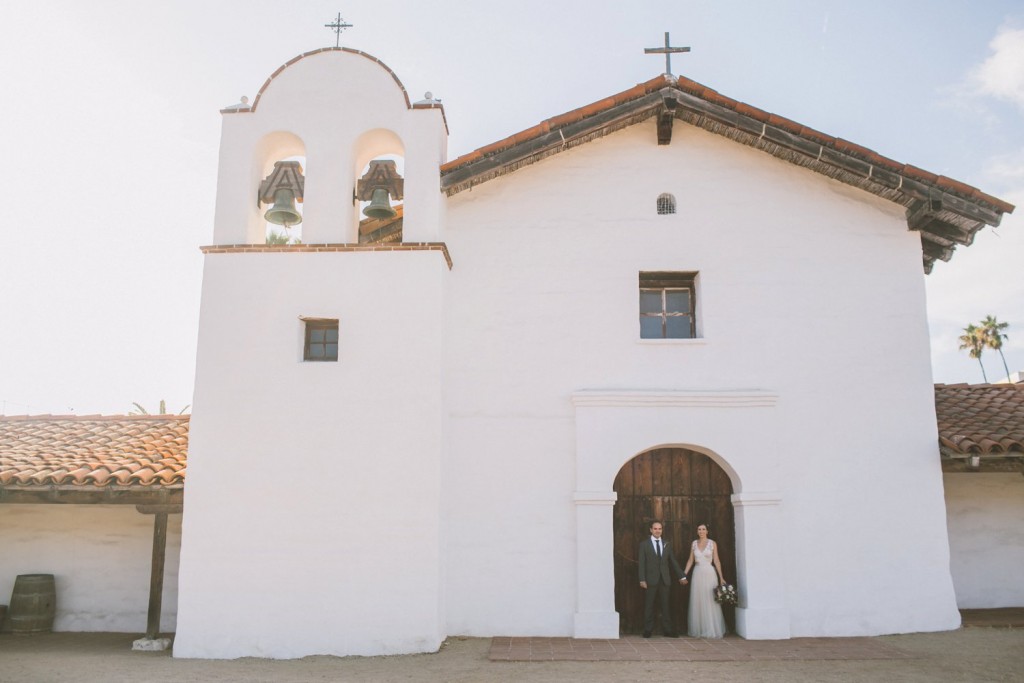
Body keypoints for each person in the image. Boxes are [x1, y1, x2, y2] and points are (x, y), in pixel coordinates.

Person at [637, 520, 686, 638]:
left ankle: (668, 630)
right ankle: (647, 630)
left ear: (662, 530)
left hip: (665, 580)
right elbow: (641, 563)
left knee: (665, 606)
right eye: (655, 529)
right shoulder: (644, 544)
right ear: (651, 530)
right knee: (649, 605)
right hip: (650, 580)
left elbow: (673, 561)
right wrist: (642, 579)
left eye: (659, 529)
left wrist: (682, 576)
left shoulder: (666, 544)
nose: (657, 531)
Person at [683, 522, 727, 638]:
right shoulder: (694, 543)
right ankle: (699, 629)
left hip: (709, 573)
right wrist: (684, 574)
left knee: (709, 600)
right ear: (697, 531)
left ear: (707, 531)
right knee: (698, 600)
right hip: (697, 573)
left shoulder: (712, 543)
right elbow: (690, 560)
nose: (701, 531)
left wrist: (721, 577)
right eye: (699, 529)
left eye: (703, 529)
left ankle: (711, 628)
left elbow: (716, 560)